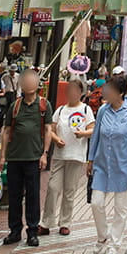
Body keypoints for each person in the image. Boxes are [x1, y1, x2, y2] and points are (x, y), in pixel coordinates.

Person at [87, 74, 127, 254]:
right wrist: (90, 159)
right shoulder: (103, 110)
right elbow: (95, 136)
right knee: (96, 203)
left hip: (123, 165)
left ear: (119, 93)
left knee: (120, 208)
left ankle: (114, 245)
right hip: (102, 164)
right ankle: (102, 236)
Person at [0, 67, 53, 248]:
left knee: (33, 196)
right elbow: (6, 131)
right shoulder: (15, 106)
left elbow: (48, 130)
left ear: (37, 84)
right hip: (14, 158)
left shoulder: (44, 105)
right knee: (14, 195)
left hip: (33, 158)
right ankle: (15, 231)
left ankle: (32, 231)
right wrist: (2, 156)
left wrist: (45, 154)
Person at [39, 78, 94, 237]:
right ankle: (46, 222)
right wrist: (56, 140)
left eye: (76, 90)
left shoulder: (86, 110)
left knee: (70, 190)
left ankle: (65, 223)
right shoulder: (61, 110)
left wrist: (82, 133)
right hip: (60, 154)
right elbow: (51, 130)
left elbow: (92, 129)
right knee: (52, 188)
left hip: (76, 155)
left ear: (81, 93)